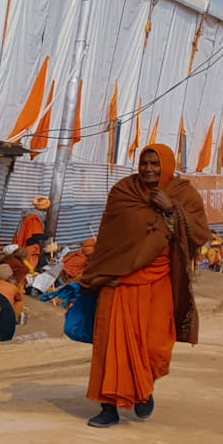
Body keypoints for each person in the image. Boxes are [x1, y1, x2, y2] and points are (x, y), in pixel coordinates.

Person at [80, 144, 212, 428]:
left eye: (155, 164)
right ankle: (108, 406)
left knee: (154, 345)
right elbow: (109, 238)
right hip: (119, 281)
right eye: (144, 163)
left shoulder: (183, 195)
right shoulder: (123, 192)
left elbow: (199, 235)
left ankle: (143, 390)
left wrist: (172, 209)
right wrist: (104, 272)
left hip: (159, 280)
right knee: (112, 346)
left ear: (166, 165)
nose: (149, 169)